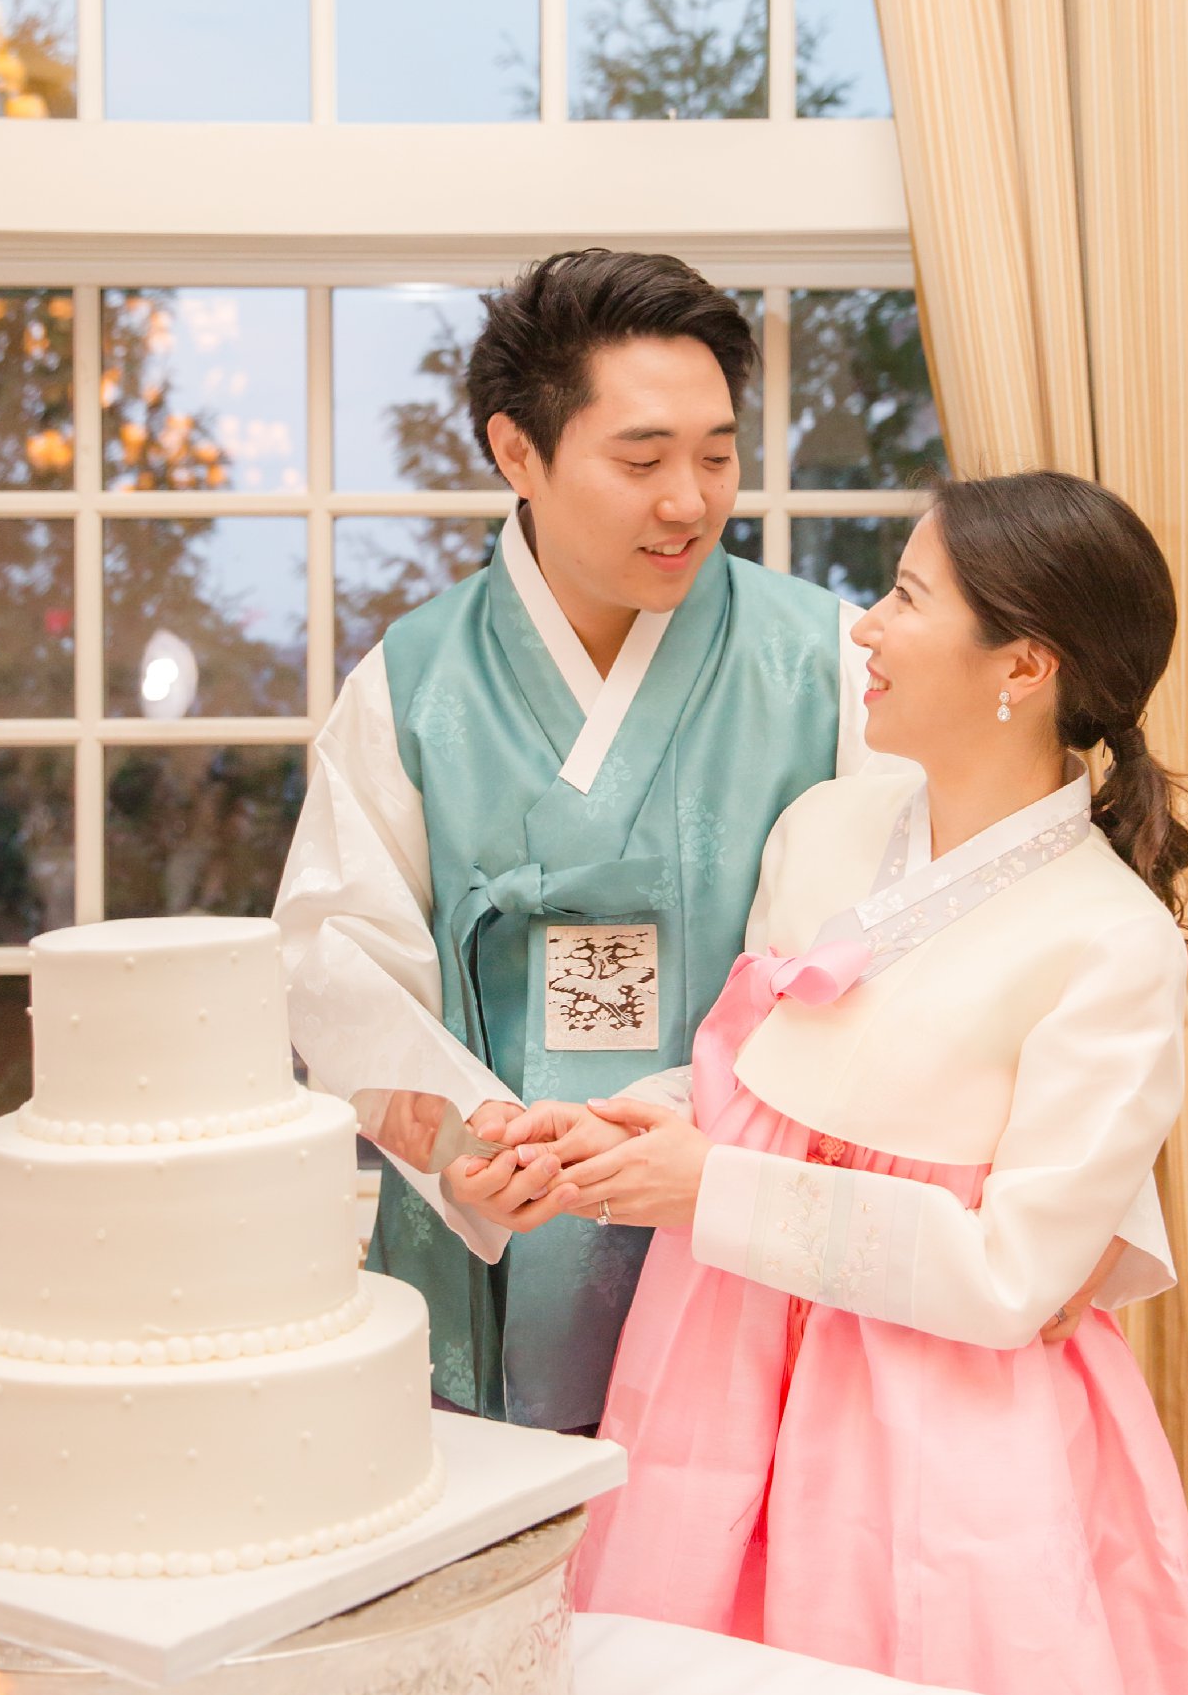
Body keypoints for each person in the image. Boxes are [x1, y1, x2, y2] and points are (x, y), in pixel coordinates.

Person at [521, 470, 1188, 1695]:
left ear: (1019, 665)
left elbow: (1014, 1275)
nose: (864, 626)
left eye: (904, 596)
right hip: (721, 1367)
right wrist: (636, 1124)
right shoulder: (824, 828)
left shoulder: (1111, 947)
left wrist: (713, 1189)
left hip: (940, 1429)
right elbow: (751, 1076)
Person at [276, 251, 871, 1431]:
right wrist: (462, 1145)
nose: (690, 502)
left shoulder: (830, 665)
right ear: (516, 452)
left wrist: (671, 1126)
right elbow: (335, 955)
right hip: (491, 1217)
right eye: (642, 460)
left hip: (732, 1206)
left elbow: (871, 958)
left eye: (714, 456)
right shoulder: (412, 682)